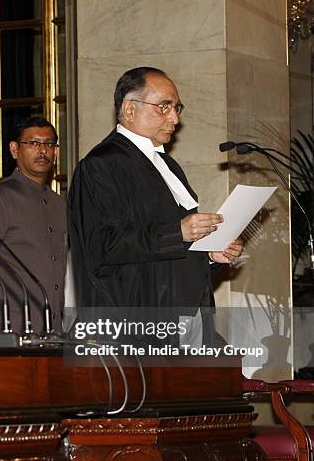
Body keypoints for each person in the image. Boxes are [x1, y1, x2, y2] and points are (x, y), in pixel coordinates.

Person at [68, 67, 242, 340]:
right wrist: (179, 232)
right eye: (164, 106)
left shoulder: (167, 164)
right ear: (129, 110)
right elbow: (103, 245)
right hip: (135, 322)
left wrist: (209, 254)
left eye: (176, 107)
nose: (174, 117)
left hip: (185, 315)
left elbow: (169, 244)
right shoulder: (99, 165)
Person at [0, 117, 67, 339]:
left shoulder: (59, 205)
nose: (43, 151)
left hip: (50, 332)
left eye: (49, 144)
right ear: (14, 149)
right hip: (2, 330)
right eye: (34, 143)